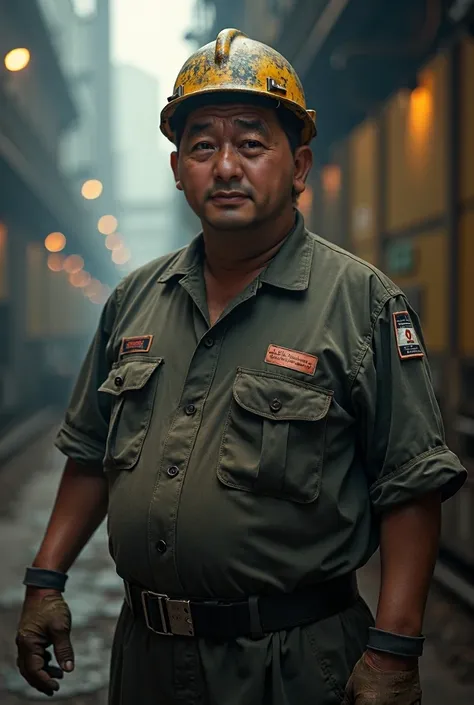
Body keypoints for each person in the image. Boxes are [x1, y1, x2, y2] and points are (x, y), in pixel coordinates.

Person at [15, 28, 466, 705]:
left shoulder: (360, 303)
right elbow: (89, 452)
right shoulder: (135, 300)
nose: (226, 166)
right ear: (177, 171)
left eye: (252, 143)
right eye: (202, 146)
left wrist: (395, 648)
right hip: (146, 660)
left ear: (300, 165)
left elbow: (411, 486)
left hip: (292, 665)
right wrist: (45, 580)